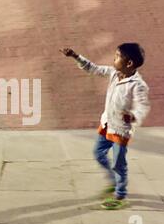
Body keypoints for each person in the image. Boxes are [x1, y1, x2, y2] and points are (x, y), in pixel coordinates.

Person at [60, 43, 150, 210]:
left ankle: (120, 194)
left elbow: (142, 106)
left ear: (129, 63)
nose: (113, 59)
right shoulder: (114, 73)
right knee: (98, 153)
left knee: (118, 163)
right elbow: (92, 68)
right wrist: (75, 56)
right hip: (107, 123)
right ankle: (114, 180)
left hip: (121, 130)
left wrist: (133, 116)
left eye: (117, 57)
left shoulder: (138, 85)